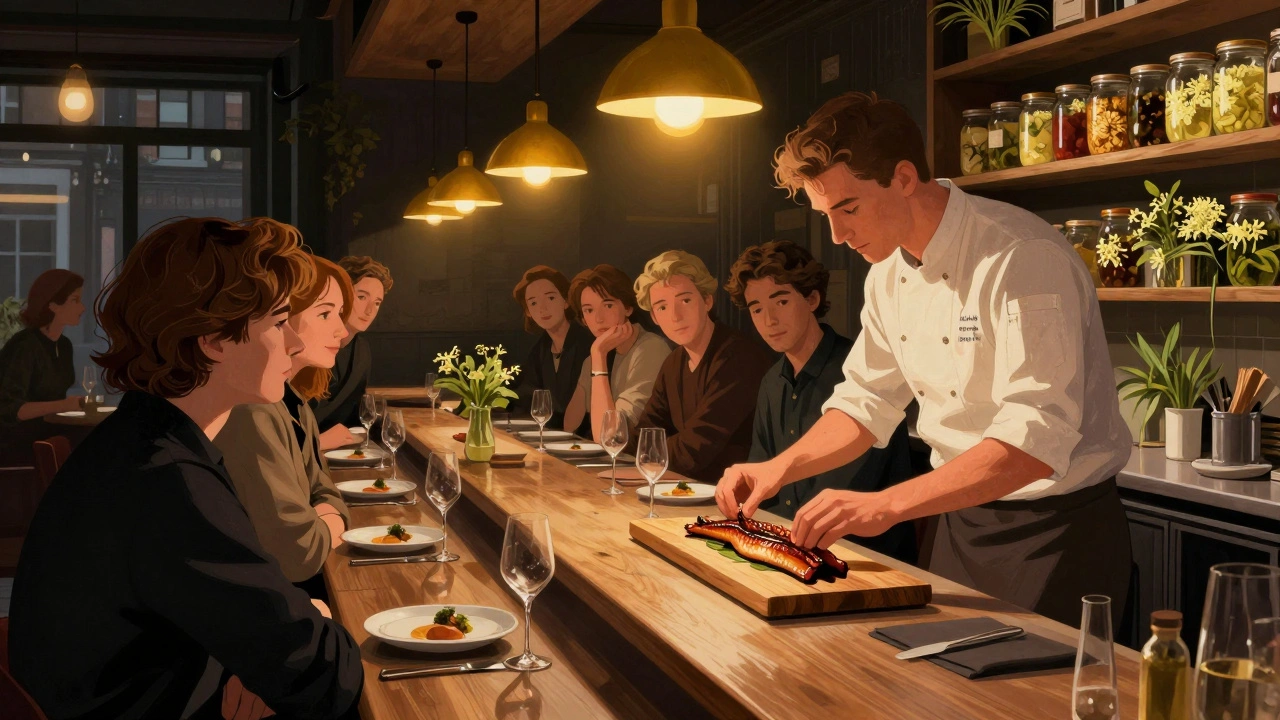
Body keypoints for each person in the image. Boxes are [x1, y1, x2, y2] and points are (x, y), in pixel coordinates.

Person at [716, 91, 1133, 629]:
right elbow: (865, 403)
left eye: (848, 208)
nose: (838, 236)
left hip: (1055, 534)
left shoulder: (1021, 256)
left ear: (904, 177)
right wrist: (777, 468)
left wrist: (882, 506)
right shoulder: (887, 276)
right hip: (957, 526)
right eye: (826, 215)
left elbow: (1034, 441)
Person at [9, 217, 363, 719]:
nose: (295, 345)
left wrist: (262, 655)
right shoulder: (170, 480)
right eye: (280, 323)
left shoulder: (141, 440)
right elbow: (326, 674)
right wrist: (317, 614)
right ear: (214, 339)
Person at [726, 240, 917, 562]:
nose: (768, 320)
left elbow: (850, 490)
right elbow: (763, 472)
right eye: (757, 309)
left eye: (781, 301)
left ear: (812, 298)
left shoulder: (861, 373)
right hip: (789, 547)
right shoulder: (772, 380)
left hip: (863, 554)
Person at [215, 255, 353, 589]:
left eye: (339, 313)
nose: (343, 329)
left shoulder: (295, 404)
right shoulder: (253, 410)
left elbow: (325, 490)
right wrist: (329, 521)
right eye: (324, 313)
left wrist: (324, 515)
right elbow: (297, 551)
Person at [629, 250, 773, 482]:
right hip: (685, 488)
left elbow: (695, 448)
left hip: (737, 497)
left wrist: (647, 453)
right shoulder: (674, 362)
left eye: (685, 300)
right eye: (662, 307)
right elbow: (647, 432)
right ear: (654, 317)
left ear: (707, 301)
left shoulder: (739, 357)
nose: (675, 316)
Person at [562, 264, 670, 441]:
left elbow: (611, 435)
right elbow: (570, 425)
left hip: (642, 459)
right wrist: (597, 358)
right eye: (589, 310)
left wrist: (598, 357)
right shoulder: (597, 356)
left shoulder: (650, 348)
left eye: (608, 305)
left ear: (627, 308)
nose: (598, 318)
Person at [0, 269, 86, 463]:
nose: (82, 308)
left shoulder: (64, 346)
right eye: (75, 300)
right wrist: (64, 405)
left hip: (49, 434)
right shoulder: (24, 345)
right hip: (19, 443)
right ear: (54, 304)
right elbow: (10, 409)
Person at [313, 255, 393, 450]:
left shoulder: (362, 351)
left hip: (340, 450)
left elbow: (354, 414)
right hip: (301, 453)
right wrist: (318, 443)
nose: (369, 310)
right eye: (362, 297)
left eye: (377, 303)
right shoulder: (311, 346)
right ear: (342, 294)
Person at [507, 265, 592, 429]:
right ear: (528, 312)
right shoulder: (540, 350)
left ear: (566, 301)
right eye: (533, 303)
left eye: (551, 298)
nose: (543, 308)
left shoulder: (587, 343)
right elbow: (525, 394)